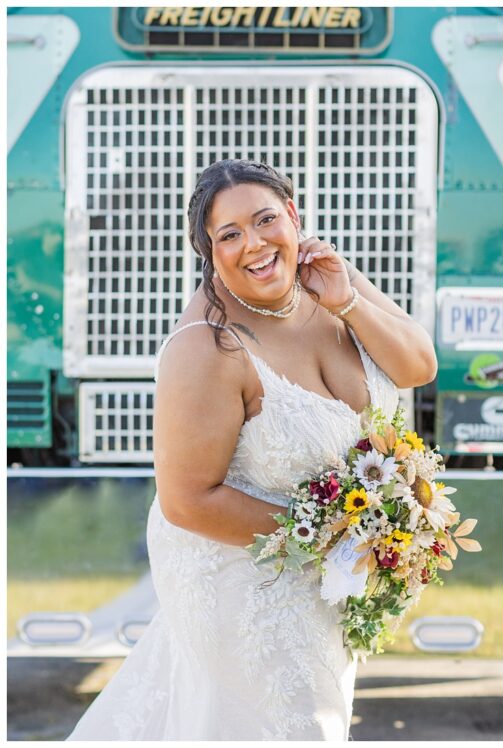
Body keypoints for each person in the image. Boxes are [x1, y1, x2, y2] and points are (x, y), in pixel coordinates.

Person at [68, 159, 437, 740]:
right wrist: (343, 537)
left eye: (265, 220)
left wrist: (348, 302)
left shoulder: (329, 278)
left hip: (324, 585)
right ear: (209, 251)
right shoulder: (207, 345)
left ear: (292, 214)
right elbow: (186, 500)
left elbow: (418, 366)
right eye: (229, 234)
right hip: (246, 590)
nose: (255, 245)